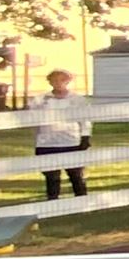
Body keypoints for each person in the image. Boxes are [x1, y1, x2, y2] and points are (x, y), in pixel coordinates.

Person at [33, 68, 89, 201]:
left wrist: (86, 136)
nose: (58, 83)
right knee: (51, 176)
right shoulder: (41, 100)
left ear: (68, 81)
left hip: (71, 142)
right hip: (47, 142)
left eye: (62, 80)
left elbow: (86, 119)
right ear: (50, 82)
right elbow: (31, 118)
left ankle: (82, 201)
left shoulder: (77, 99)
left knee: (76, 174)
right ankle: (53, 202)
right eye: (55, 80)